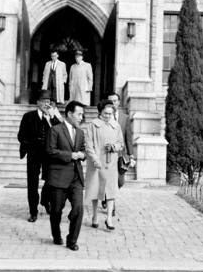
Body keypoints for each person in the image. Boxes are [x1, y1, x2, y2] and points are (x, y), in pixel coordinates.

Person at [46, 100, 86, 251]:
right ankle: (56, 234)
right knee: (56, 210)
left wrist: (83, 154)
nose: (81, 117)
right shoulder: (55, 130)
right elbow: (50, 152)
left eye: (82, 114)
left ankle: (72, 241)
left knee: (78, 208)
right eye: (79, 114)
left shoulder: (81, 132)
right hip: (58, 177)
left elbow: (83, 149)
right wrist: (71, 155)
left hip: (76, 177)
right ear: (69, 114)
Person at [17, 90, 61, 222]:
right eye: (43, 101)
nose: (45, 104)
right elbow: (21, 135)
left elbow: (61, 133)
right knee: (32, 182)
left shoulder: (53, 118)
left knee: (50, 180)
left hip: (49, 154)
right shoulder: (28, 116)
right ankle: (33, 211)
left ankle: (45, 200)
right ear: (37, 103)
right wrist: (29, 146)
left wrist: (52, 117)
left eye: (48, 102)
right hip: (34, 153)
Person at [85, 99, 124, 231]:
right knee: (96, 190)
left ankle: (109, 219)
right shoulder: (93, 125)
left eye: (110, 114)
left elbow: (121, 143)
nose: (108, 116)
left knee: (111, 191)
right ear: (100, 112)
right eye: (105, 113)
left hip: (111, 162)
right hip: (97, 163)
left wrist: (114, 147)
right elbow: (88, 144)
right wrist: (95, 158)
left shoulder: (116, 125)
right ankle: (95, 216)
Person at [106, 92, 136, 214]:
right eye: (110, 101)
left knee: (120, 181)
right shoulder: (104, 117)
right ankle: (110, 203)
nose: (113, 103)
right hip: (107, 154)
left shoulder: (125, 118)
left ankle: (107, 195)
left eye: (115, 101)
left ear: (119, 102)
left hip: (121, 155)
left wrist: (131, 154)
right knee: (109, 180)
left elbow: (128, 137)